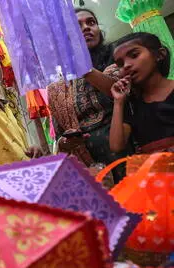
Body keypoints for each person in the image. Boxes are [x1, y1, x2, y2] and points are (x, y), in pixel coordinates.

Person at [47, 8, 133, 180]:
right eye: (77, 26)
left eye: (91, 22)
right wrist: (65, 143)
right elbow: (60, 134)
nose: (86, 28)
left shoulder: (117, 57)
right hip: (89, 165)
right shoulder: (57, 85)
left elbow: (117, 89)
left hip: (126, 151)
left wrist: (83, 66)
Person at [110, 32, 174, 153]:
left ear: (159, 55)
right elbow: (116, 146)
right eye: (120, 64)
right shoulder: (132, 105)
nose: (126, 65)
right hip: (155, 170)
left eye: (134, 55)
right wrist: (118, 102)